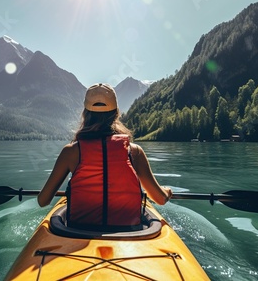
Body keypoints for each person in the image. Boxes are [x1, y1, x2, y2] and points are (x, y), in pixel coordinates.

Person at [37, 83, 172, 230]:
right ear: (116, 113)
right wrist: (166, 191)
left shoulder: (70, 152)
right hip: (129, 233)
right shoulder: (134, 151)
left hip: (79, 231)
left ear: (85, 114)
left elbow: (43, 200)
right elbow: (160, 199)